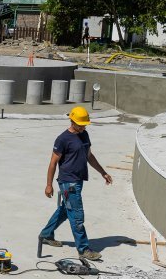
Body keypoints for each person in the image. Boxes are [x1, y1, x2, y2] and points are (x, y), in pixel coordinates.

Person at [37, 106, 112, 261]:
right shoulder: (63, 139)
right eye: (80, 124)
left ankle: (46, 234)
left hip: (78, 180)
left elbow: (89, 156)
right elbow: (53, 163)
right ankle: (83, 249)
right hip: (67, 182)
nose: (83, 127)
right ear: (72, 121)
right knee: (77, 215)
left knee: (66, 210)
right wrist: (49, 184)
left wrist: (103, 172)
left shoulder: (84, 135)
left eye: (84, 124)